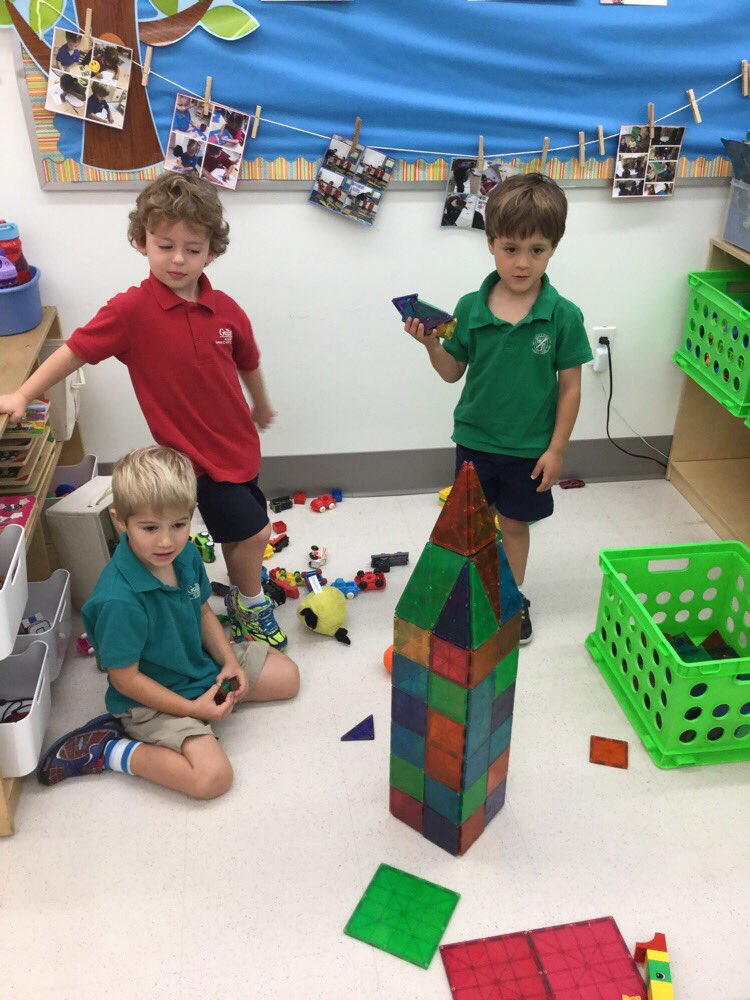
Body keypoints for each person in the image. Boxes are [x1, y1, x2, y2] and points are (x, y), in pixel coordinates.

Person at [0, 171, 287, 649]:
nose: (178, 259)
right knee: (256, 533)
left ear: (212, 252)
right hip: (192, 460)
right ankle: (251, 602)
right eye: (164, 245)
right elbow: (76, 350)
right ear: (141, 242)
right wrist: (24, 393)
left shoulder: (227, 309)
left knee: (243, 534)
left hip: (239, 446)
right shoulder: (131, 311)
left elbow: (249, 360)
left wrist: (260, 404)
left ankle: (240, 590)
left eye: (192, 249)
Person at [36, 447, 299, 798]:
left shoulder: (185, 554)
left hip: (197, 668)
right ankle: (109, 749)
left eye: (179, 524)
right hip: (151, 699)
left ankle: (209, 704)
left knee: (289, 677)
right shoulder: (119, 599)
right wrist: (192, 710)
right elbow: (125, 680)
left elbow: (203, 612)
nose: (166, 540)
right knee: (212, 779)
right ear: (119, 520)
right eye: (149, 527)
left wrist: (230, 662)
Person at [403, 173, 593, 644]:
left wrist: (557, 450)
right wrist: (430, 345)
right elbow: (452, 373)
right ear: (490, 244)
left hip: (530, 448)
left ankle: (509, 597)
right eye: (511, 248)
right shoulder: (469, 307)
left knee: (514, 525)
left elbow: (570, 388)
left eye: (537, 250)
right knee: (470, 525)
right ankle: (471, 592)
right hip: (475, 440)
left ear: (555, 248)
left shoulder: (563, 315)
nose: (523, 262)